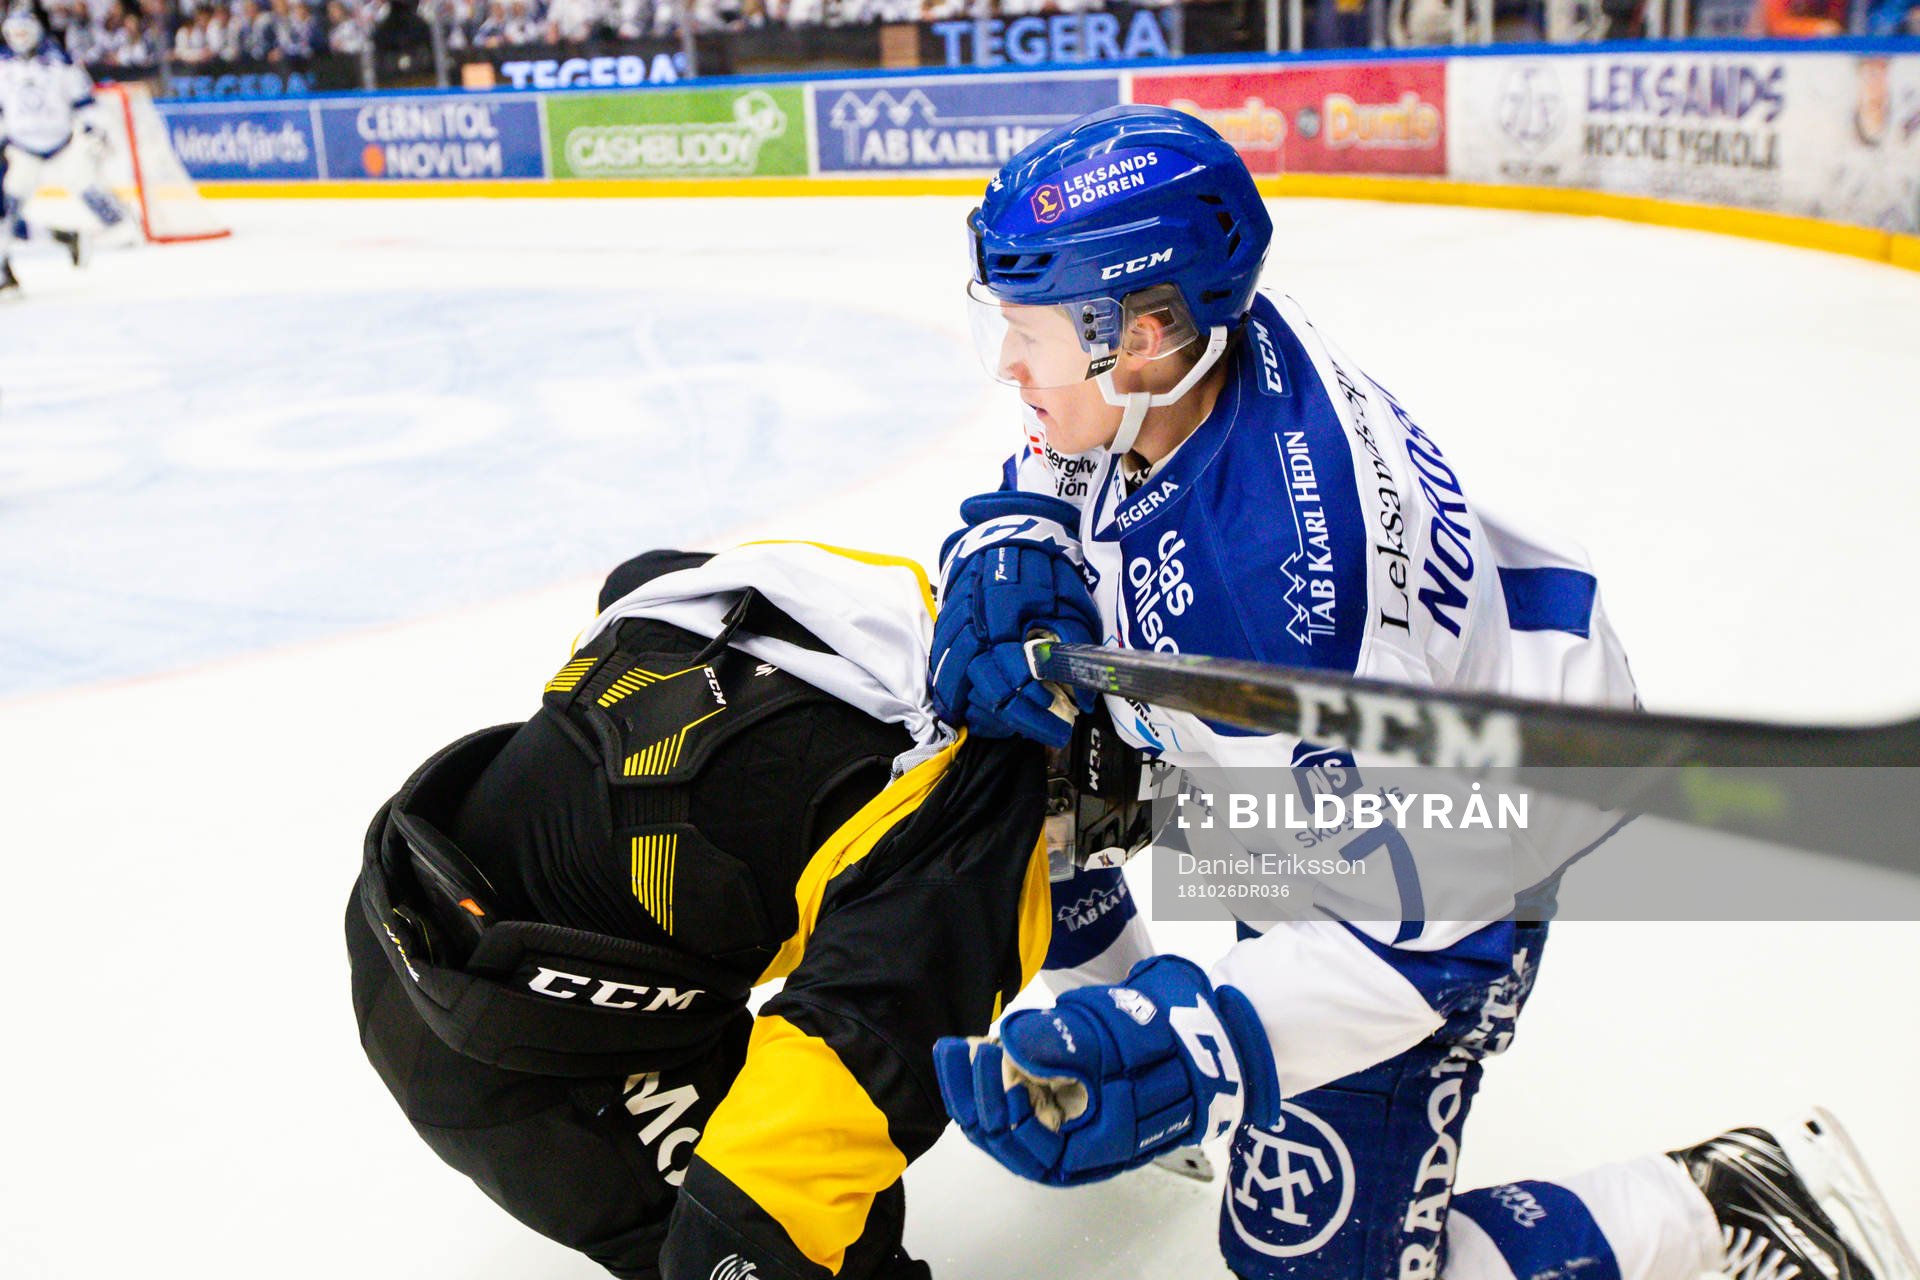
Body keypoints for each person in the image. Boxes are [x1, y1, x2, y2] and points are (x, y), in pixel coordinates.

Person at [928, 105, 1918, 1280]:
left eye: (1028, 334)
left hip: (1468, 824)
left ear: (1140, 334)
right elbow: (1073, 437)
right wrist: (1021, 523)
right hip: (1304, 771)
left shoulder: (1290, 598)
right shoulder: (1190, 348)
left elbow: (1430, 925)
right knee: (1004, 755)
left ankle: (1729, 1196)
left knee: (1311, 1266)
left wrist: (1199, 1047)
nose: (1006, 366)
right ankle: (1138, 1022)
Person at [347, 541, 1055, 1280]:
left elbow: (634, 580)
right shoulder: (969, 839)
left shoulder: (856, 589)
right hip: (519, 1058)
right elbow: (759, 1198)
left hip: (402, 901)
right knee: (820, 1242)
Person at [0, 4, 110, 296]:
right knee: (6, 216)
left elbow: (83, 102)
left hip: (54, 145)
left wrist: (94, 129)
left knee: (5, 215)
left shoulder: (57, 63)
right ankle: (62, 239)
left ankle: (4, 276)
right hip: (21, 148)